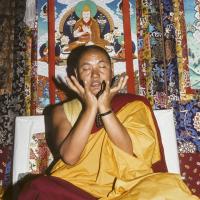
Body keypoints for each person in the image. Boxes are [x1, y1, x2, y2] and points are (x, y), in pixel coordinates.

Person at [18, 45, 199, 200]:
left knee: (165, 191)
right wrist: (90, 108)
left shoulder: (134, 104)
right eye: (86, 68)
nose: (95, 74)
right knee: (39, 187)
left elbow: (129, 150)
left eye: (102, 66)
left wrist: (105, 108)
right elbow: (70, 157)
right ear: (76, 74)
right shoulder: (60, 111)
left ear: (112, 71)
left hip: (131, 187)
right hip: (78, 189)